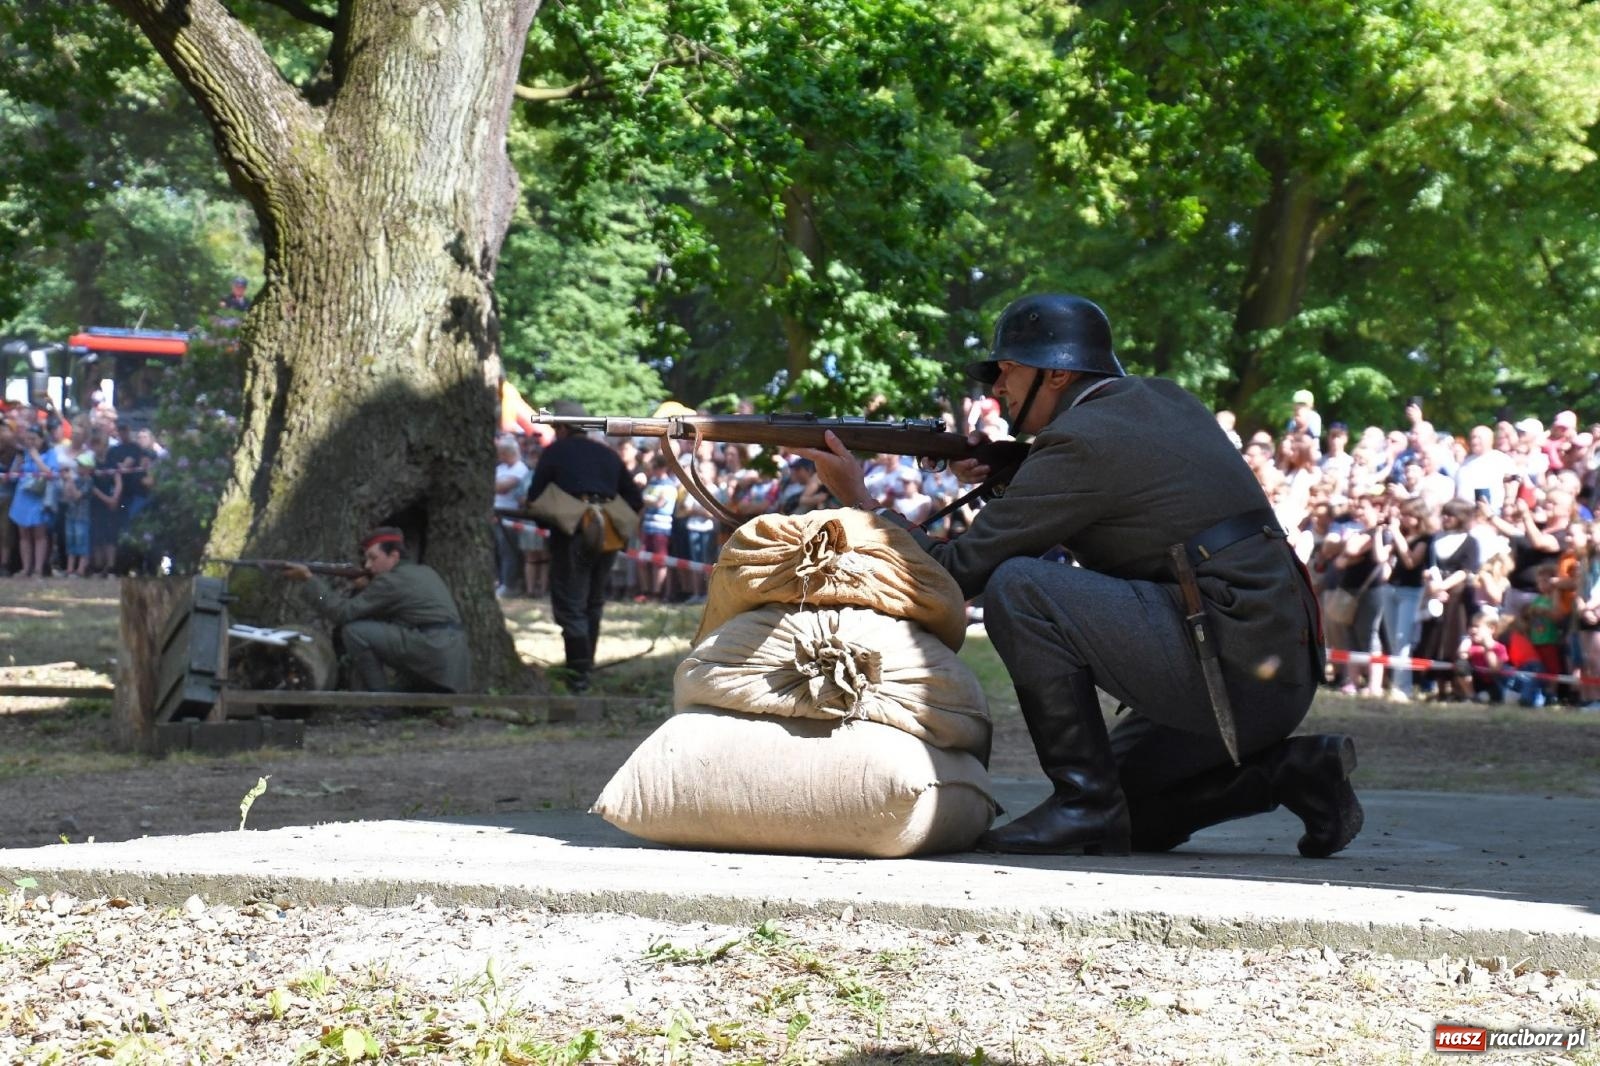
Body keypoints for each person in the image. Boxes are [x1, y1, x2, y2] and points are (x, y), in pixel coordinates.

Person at [797, 293, 1359, 858]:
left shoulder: (1081, 442)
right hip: (1272, 664)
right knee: (1131, 817)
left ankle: (1081, 802)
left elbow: (952, 573)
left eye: (1009, 371)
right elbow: (1137, 491)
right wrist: (1015, 470)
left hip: (1228, 663)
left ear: (1059, 372)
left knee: (1021, 586)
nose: (996, 388)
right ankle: (1294, 772)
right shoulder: (1160, 397)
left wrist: (863, 501)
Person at [527, 400, 644, 692]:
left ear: (564, 427)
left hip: (572, 535)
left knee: (570, 604)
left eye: (556, 427)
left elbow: (535, 496)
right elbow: (635, 499)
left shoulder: (554, 452)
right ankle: (585, 667)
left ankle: (578, 674)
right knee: (592, 601)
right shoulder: (607, 455)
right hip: (608, 534)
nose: (555, 432)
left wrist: (568, 515)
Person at [282, 527, 469, 694]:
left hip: (431, 649)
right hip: (449, 656)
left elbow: (341, 613)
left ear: (394, 556)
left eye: (373, 558)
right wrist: (368, 588)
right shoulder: (424, 571)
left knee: (355, 632)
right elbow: (398, 607)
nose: (367, 566)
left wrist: (310, 581)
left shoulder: (389, 581)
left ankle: (381, 701)